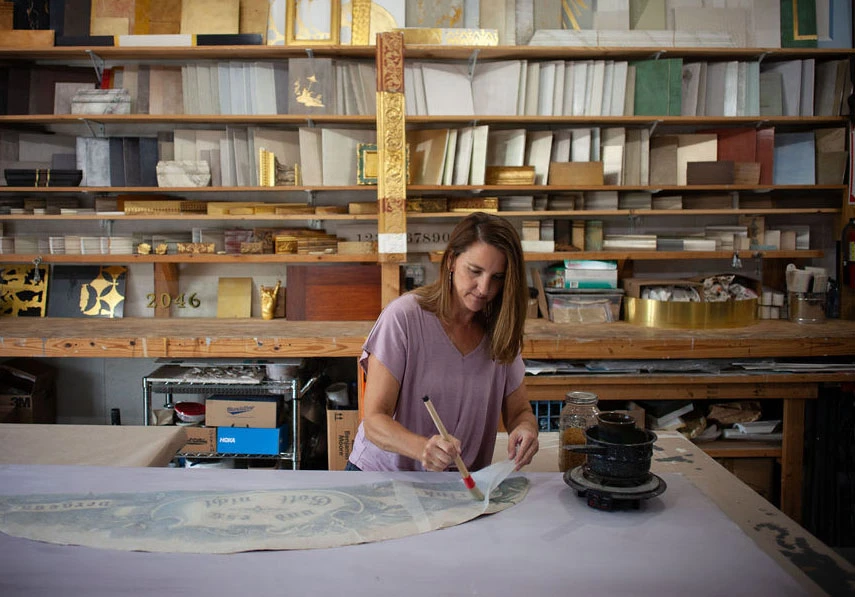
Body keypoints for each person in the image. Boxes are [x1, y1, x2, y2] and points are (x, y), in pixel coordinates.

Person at [346, 212, 539, 472]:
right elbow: (374, 421)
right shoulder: (404, 318)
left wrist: (526, 428)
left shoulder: (500, 329)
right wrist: (421, 449)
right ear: (451, 261)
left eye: (497, 277)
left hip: (459, 484)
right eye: (475, 271)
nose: (484, 288)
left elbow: (519, 412)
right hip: (385, 479)